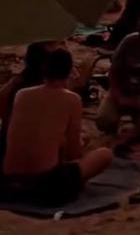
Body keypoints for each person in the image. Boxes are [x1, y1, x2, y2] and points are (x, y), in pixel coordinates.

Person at [1, 49, 113, 207]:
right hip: (46, 185)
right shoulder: (72, 99)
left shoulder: (22, 94)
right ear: (68, 71)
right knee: (105, 155)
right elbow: (74, 153)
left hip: (8, 181)